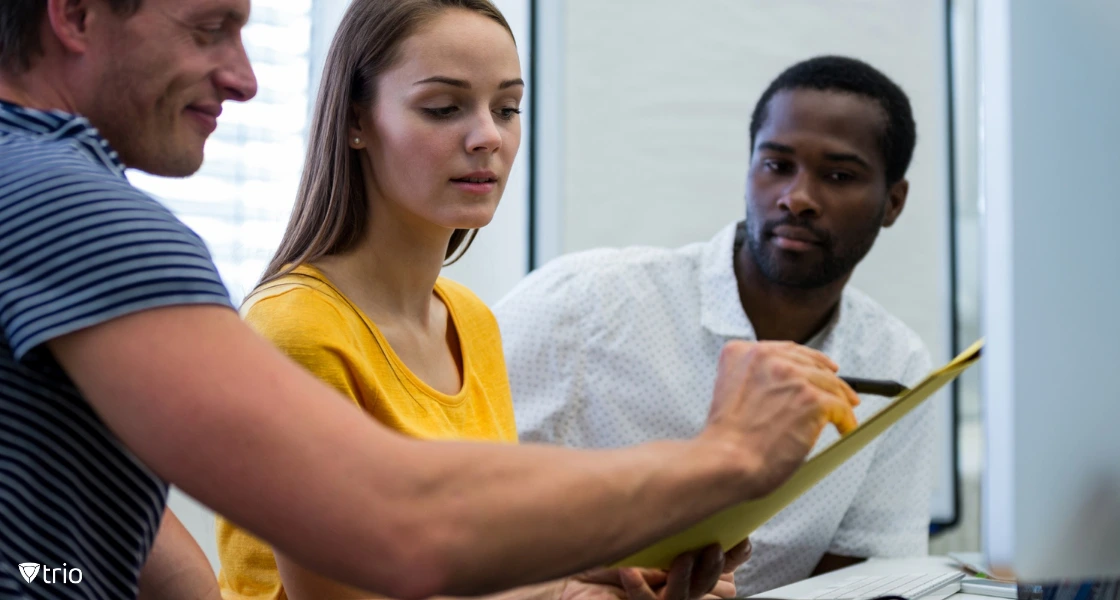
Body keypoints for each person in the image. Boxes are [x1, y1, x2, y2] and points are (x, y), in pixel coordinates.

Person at [0, 1, 861, 599]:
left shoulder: (471, 319)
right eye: (209, 27)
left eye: (508, 107)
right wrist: (728, 458)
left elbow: (106, 543)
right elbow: (393, 524)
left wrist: (578, 578)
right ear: (73, 14)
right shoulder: (73, 212)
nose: (245, 78)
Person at [216, 1, 749, 598]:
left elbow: (471, 561)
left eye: (507, 108)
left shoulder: (470, 321)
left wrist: (618, 571)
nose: (488, 136)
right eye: (443, 108)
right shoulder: (296, 327)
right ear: (355, 122)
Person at [495, 55, 935, 596]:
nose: (796, 198)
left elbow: (866, 576)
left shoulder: (898, 364)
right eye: (776, 165)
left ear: (893, 202)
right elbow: (451, 506)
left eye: (839, 176)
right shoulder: (582, 303)